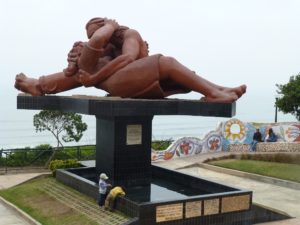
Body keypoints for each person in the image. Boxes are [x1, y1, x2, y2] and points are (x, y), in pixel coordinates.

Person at [15, 17, 247, 103]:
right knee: (167, 63)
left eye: (96, 33)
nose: (96, 40)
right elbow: (77, 73)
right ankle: (216, 92)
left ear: (109, 29)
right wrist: (79, 57)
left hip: (131, 83)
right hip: (123, 84)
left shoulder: (129, 35)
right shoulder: (104, 50)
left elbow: (128, 58)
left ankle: (219, 90)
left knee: (168, 64)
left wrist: (94, 74)